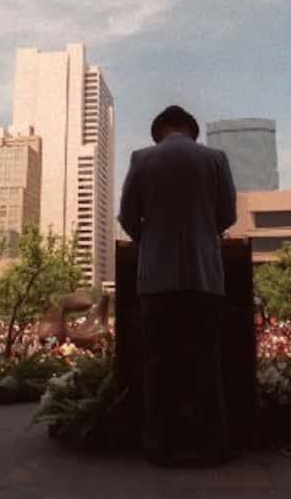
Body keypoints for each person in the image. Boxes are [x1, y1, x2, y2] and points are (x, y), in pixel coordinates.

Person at [118, 105, 237, 466]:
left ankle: (160, 446)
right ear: (191, 130)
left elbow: (126, 216)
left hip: (156, 279)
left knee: (158, 365)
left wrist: (150, 238)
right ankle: (212, 446)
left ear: (159, 132)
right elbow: (228, 214)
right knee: (205, 363)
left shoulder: (142, 159)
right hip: (204, 278)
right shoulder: (216, 159)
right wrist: (204, 234)